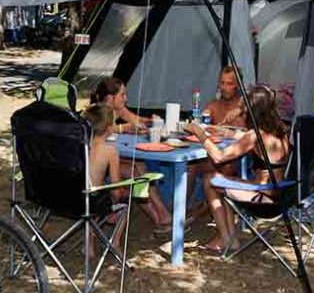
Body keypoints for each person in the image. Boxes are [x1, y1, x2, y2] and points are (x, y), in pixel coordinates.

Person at [188, 85, 290, 254]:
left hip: (263, 199)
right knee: (224, 177)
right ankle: (231, 238)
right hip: (281, 193)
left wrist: (200, 134)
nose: (243, 112)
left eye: (245, 108)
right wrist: (222, 131)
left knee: (210, 180)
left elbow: (219, 157)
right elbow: (245, 137)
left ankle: (225, 238)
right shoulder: (279, 129)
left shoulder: (255, 135)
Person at [83, 104, 171, 242]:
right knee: (126, 199)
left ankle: (89, 246)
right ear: (109, 128)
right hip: (95, 202)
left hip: (75, 198)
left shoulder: (78, 147)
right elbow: (116, 192)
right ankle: (115, 241)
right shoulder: (110, 151)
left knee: (97, 195)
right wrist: (126, 193)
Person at [186, 66, 247, 222]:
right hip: (217, 156)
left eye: (230, 83)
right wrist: (202, 121)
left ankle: (205, 209)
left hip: (240, 159)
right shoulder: (214, 105)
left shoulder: (245, 106)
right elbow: (202, 120)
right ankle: (183, 209)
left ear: (238, 85)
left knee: (225, 167)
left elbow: (265, 99)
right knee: (191, 165)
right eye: (222, 83)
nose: (225, 87)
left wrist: (240, 109)